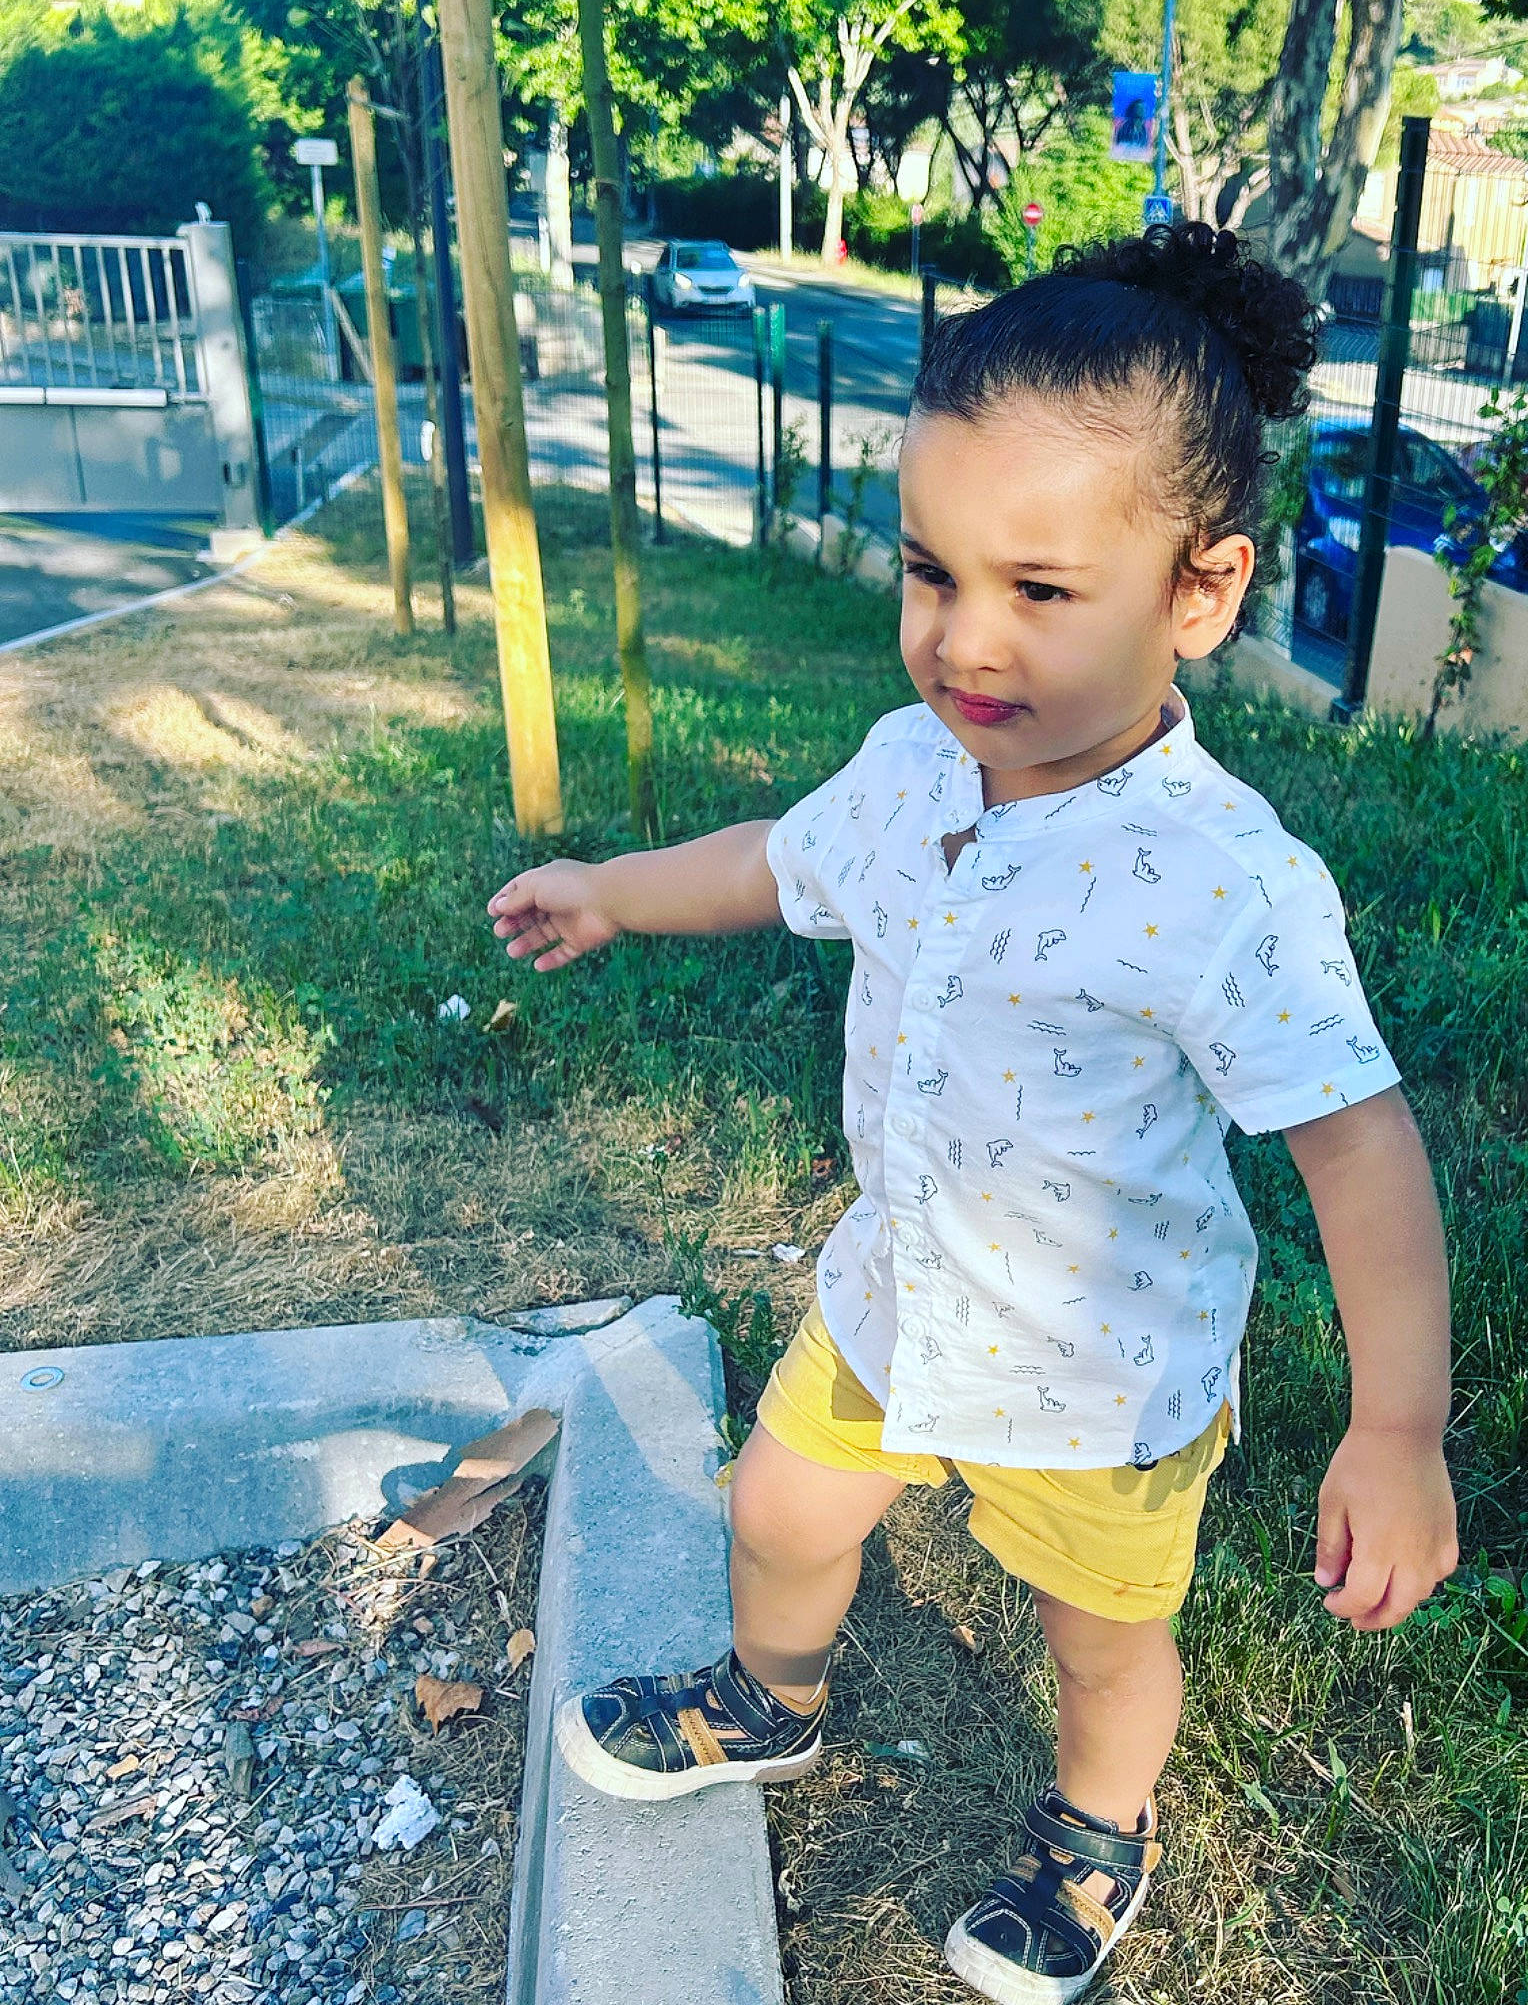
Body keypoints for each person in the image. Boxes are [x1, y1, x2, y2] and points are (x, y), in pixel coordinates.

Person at [485, 220, 1459, 2005]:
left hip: (1101, 1373)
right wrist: (618, 889)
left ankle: (1097, 1829)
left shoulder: (1225, 882)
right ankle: (767, 1700)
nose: (965, 640)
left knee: (1104, 1643)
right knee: (780, 1511)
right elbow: (777, 863)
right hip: (900, 1293)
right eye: (931, 572)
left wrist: (1396, 1429)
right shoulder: (910, 767)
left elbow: (1360, 1150)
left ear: (1200, 595)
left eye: (1040, 590)